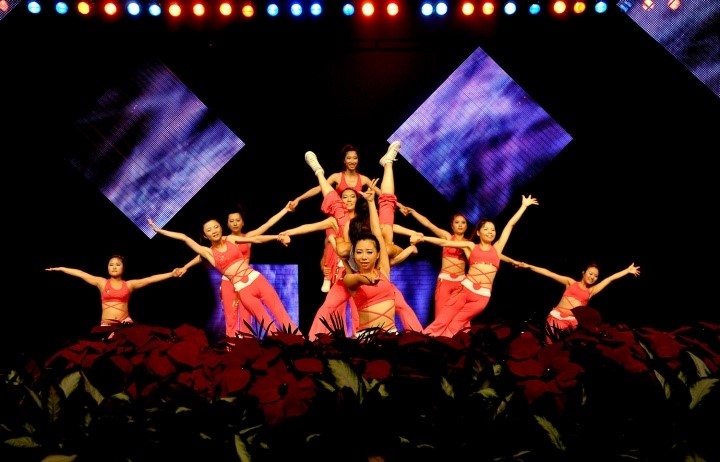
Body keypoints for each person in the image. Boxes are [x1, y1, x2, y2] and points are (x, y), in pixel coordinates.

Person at [147, 217, 301, 337]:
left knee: (281, 313)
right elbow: (184, 237)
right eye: (209, 230)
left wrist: (277, 237)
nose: (214, 231)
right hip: (243, 289)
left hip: (257, 279)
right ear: (205, 235)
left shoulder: (231, 239)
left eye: (216, 227)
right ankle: (281, 350)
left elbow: (256, 239)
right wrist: (159, 230)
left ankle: (300, 342)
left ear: (221, 227)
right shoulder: (208, 252)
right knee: (266, 323)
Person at [414, 194, 539, 337]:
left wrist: (523, 206)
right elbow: (444, 242)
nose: (490, 232)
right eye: (486, 229)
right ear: (478, 233)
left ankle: (442, 346)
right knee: (442, 321)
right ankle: (421, 341)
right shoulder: (471, 246)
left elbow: (510, 225)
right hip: (464, 290)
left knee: (456, 325)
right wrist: (423, 238)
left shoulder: (497, 248)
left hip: (481, 297)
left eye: (493, 230)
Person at [176, 202, 295, 339]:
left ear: (243, 222)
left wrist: (285, 210)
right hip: (229, 281)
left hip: (247, 280)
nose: (235, 223)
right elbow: (202, 255)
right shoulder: (224, 239)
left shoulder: (248, 236)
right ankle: (232, 345)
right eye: (231, 221)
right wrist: (185, 267)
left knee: (247, 315)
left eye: (238, 220)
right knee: (231, 318)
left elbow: (268, 224)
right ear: (226, 224)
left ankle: (250, 342)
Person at [290, 144, 380, 293]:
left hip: (354, 218)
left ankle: (356, 273)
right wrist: (299, 199)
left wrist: (399, 205)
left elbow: (382, 194)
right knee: (331, 240)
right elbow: (320, 188)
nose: (352, 161)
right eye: (349, 158)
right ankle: (328, 275)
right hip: (338, 214)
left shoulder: (363, 179)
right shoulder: (337, 177)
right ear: (344, 160)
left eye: (355, 158)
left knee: (356, 242)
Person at [45, 255, 182, 327]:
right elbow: (80, 273)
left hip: (125, 323)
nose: (114, 267)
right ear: (107, 268)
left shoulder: (129, 285)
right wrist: (61, 268)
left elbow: (150, 279)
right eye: (111, 265)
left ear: (123, 268)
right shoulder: (101, 282)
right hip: (106, 325)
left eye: (118, 264)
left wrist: (171, 274)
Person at [514, 260, 641, 337]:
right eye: (590, 273)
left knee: (564, 349)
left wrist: (627, 271)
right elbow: (549, 273)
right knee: (550, 345)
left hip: (572, 322)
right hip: (556, 317)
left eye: (595, 276)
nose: (592, 277)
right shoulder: (570, 282)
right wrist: (528, 266)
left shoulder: (591, 291)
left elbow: (610, 279)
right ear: (583, 273)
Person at [398, 205, 471, 324]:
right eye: (457, 222)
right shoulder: (447, 237)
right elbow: (428, 224)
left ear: (467, 226)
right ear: (452, 225)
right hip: (445, 281)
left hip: (461, 283)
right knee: (440, 316)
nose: (460, 225)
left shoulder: (469, 244)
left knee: (459, 319)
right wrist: (414, 212)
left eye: (463, 222)